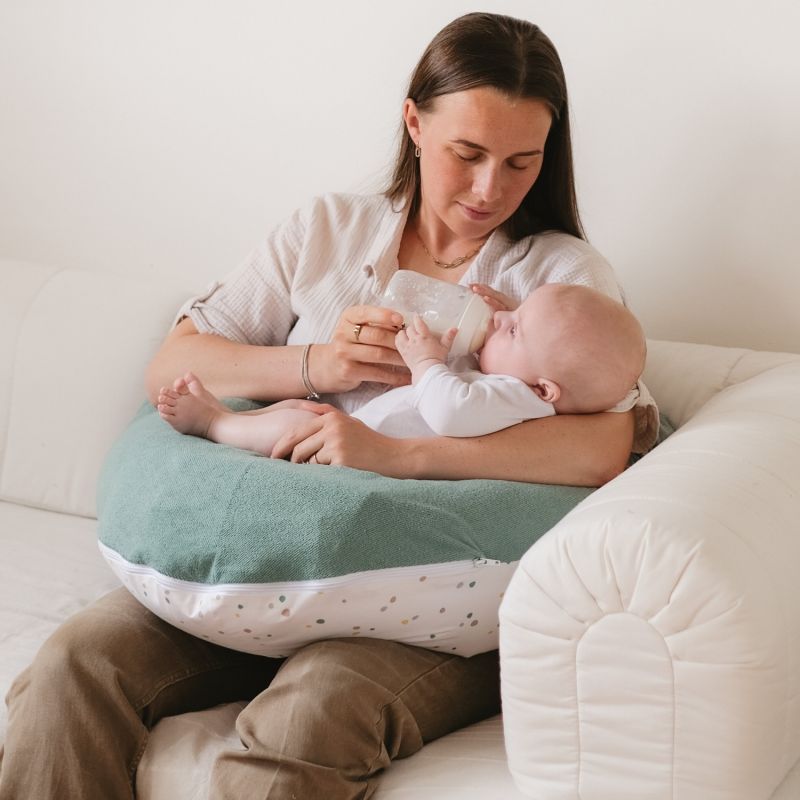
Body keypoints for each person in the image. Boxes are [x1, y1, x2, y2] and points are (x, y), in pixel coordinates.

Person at [0, 12, 659, 800]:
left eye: (522, 161)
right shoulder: (325, 232)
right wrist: (316, 362)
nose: (490, 189)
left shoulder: (559, 279)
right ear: (414, 123)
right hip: (266, 570)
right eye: (467, 154)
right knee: (76, 664)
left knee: (310, 714)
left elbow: (603, 447)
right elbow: (175, 364)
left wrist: (399, 453)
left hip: (426, 606)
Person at [155, 282, 647, 451]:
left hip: (358, 441)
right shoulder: (521, 388)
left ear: (545, 390)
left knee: (294, 425)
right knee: (290, 411)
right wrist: (506, 332)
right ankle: (232, 418)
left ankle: (218, 424)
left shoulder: (516, 398)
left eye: (513, 327)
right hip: (357, 429)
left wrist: (428, 361)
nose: (499, 315)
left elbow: (452, 411)